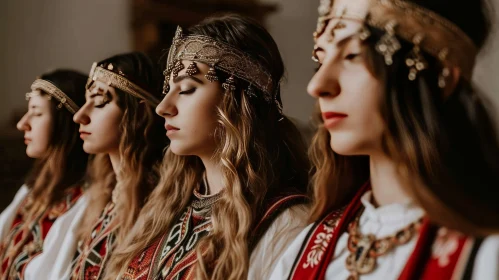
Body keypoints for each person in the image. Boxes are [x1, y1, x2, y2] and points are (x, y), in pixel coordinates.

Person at [270, 0, 499, 279]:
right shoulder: (306, 250)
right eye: (321, 60)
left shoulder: (486, 254)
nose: (317, 86)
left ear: (441, 75)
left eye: (353, 56)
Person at [104, 14, 311, 280]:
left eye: (188, 89)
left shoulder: (287, 224)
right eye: (168, 90)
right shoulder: (164, 207)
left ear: (236, 105)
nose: (163, 108)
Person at [33, 52, 168, 280]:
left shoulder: (160, 204)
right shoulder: (103, 196)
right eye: (86, 102)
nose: (80, 116)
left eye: (98, 103)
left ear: (138, 115)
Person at [0, 70, 88, 279]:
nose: (23, 124)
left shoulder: (84, 201)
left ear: (64, 123)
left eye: (37, 113)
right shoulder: (32, 191)